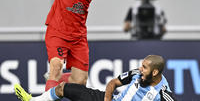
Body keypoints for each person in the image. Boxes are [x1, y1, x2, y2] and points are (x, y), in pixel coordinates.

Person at [33, 0, 155, 91]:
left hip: (78, 36)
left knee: (80, 82)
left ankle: (54, 79)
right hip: (57, 29)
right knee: (56, 66)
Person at [14, 55, 177, 101]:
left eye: (145, 67)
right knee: (62, 88)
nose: (140, 69)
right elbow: (113, 83)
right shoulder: (136, 73)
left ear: (155, 72)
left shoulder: (162, 93)